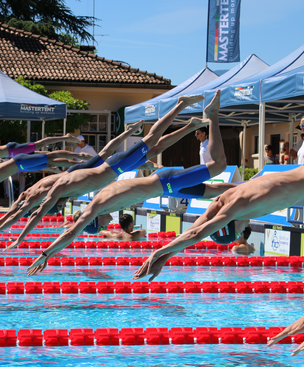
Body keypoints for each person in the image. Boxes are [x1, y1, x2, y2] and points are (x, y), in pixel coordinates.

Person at [18, 91, 230, 273]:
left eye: (102, 224)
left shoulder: (96, 206)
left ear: (94, 220)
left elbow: (71, 232)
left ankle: (211, 116)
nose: (108, 223)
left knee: (218, 165)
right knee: (213, 192)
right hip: (166, 188)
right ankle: (248, 186)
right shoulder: (97, 201)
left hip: (166, 182)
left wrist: (45, 254)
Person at [132, 165, 304, 283]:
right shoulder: (224, 200)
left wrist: (158, 253)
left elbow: (196, 234)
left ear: (228, 223)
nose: (242, 232)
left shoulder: (240, 205)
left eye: (236, 234)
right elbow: (193, 230)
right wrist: (166, 258)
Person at [0, 119, 147, 240]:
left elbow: (17, 216)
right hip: (72, 175)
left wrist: (4, 234)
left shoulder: (40, 196)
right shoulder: (30, 196)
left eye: (60, 206)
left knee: (105, 155)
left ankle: (130, 134)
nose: (62, 205)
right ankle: (129, 132)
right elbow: (12, 213)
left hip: (76, 175)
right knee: (104, 154)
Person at [0, 150, 92, 225]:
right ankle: (83, 160)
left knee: (54, 158)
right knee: (53, 159)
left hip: (21, 163)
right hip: (22, 165)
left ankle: (83, 158)